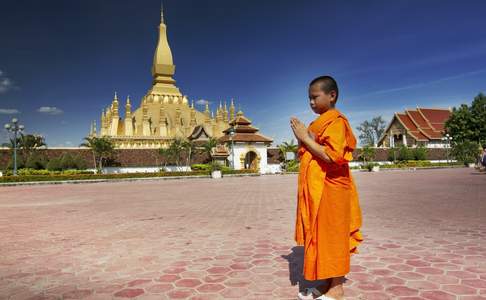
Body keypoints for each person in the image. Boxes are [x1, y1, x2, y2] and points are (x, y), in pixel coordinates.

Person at [290, 75, 363, 300]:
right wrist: (302, 139)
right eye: (308, 99)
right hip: (317, 189)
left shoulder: (337, 122)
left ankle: (337, 287)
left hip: (333, 188)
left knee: (334, 237)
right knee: (320, 236)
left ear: (331, 96)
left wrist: (305, 138)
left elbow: (333, 156)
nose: (311, 103)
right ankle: (327, 282)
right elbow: (307, 152)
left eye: (315, 97)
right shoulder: (316, 124)